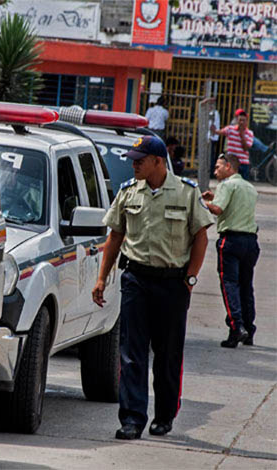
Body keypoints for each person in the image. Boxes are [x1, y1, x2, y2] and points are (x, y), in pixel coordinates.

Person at [92, 135, 213, 440]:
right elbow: (115, 237)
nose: (134, 165)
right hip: (136, 280)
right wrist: (101, 278)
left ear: (158, 161)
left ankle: (164, 415)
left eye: (140, 160)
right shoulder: (128, 192)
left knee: (167, 354)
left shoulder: (186, 192)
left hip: (173, 284)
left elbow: (200, 236)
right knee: (131, 352)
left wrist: (191, 278)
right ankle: (132, 418)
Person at [201, 153, 259, 348]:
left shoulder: (226, 185)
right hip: (250, 241)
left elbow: (217, 210)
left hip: (231, 241)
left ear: (229, 167)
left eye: (218, 167)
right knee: (245, 286)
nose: (215, 170)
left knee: (229, 285)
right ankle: (249, 330)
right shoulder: (249, 187)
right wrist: (215, 197)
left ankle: (236, 328)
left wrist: (202, 202)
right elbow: (233, 206)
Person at [212, 109, 253, 180]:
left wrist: (242, 135)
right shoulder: (230, 129)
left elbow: (246, 148)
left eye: (244, 120)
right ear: (237, 120)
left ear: (246, 121)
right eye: (240, 120)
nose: (242, 122)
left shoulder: (249, 133)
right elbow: (219, 132)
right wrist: (214, 130)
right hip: (231, 163)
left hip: (243, 163)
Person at [208, 109, 220, 177]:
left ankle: (211, 172)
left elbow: (213, 126)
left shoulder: (214, 113)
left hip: (211, 137)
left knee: (210, 156)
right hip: (210, 137)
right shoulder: (211, 112)